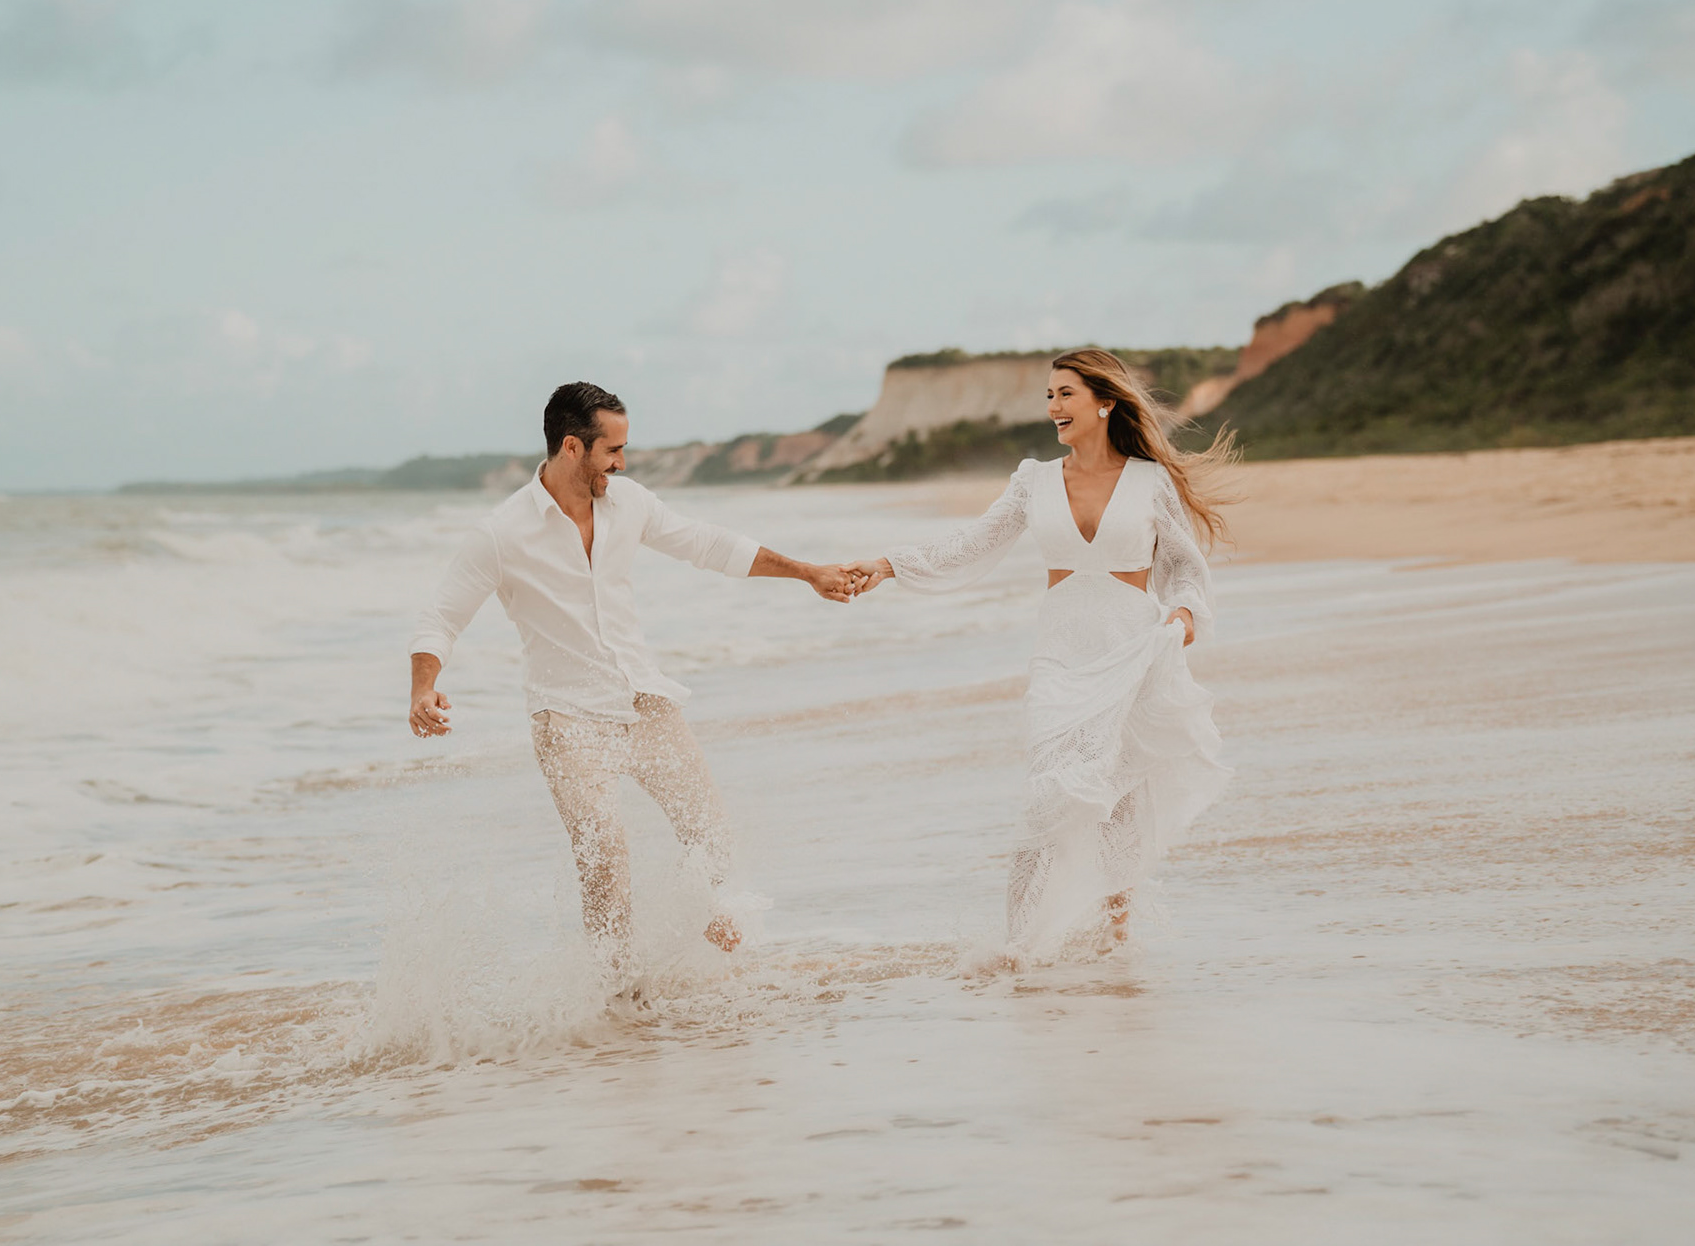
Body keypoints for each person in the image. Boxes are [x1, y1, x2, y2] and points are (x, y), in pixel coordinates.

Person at [409, 381, 856, 990]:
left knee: (712, 841)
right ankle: (621, 997)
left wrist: (805, 572)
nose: (622, 463)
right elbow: (442, 616)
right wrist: (423, 687)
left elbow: (708, 544)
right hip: (565, 720)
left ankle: (703, 954)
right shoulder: (501, 532)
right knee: (605, 863)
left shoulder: (630, 503)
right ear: (572, 447)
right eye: (612, 451)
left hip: (643, 702)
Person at [844, 349, 1234, 958]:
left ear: (1104, 402)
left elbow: (1185, 565)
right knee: (1046, 795)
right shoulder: (1034, 480)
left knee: (1119, 798)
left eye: (1065, 394)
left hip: (1132, 648)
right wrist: (888, 565)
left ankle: (1115, 937)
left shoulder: (1150, 482)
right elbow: (971, 543)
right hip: (1060, 656)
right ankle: (1019, 947)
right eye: (1049, 395)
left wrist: (1185, 615)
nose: (1052, 407)